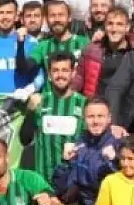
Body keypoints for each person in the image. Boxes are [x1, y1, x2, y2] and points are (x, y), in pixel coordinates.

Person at [51, 98, 120, 205]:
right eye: (90, 116)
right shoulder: (80, 143)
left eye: (100, 116)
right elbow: (60, 187)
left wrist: (115, 162)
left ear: (109, 118)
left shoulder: (120, 144)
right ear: (84, 118)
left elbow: (125, 185)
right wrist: (65, 163)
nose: (95, 121)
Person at [20, 52, 86, 183]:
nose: (60, 75)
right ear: (49, 75)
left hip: (74, 181)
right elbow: (24, 139)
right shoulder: (39, 101)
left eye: (65, 70)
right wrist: (30, 112)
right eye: (55, 70)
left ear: (73, 73)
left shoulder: (84, 104)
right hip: (44, 180)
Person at [73, 6, 134, 99]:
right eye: (110, 24)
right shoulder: (91, 50)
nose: (114, 29)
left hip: (124, 108)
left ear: (127, 27)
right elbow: (78, 79)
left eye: (119, 24)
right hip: (96, 107)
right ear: (105, 26)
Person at [0, 0, 43, 95]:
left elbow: (40, 76)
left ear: (16, 17)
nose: (5, 17)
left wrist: (28, 91)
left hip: (19, 106)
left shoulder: (31, 42)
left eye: (9, 13)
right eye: (1, 13)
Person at [17, 0, 89, 81]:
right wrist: (20, 44)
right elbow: (23, 69)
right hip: (47, 93)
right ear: (46, 19)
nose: (57, 19)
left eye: (61, 15)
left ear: (69, 18)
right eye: (52, 15)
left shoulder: (84, 43)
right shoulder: (42, 46)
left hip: (75, 93)